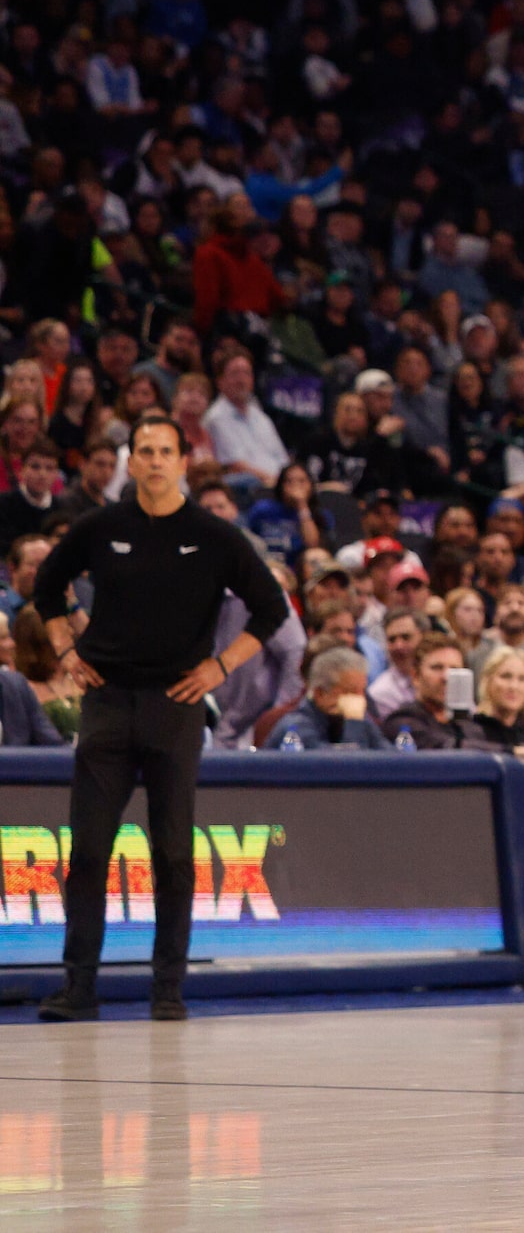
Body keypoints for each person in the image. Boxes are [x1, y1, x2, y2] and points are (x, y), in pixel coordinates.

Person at [30, 414, 292, 1022]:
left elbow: (271, 609)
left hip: (176, 705)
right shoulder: (101, 526)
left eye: (164, 451)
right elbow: (47, 588)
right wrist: (67, 650)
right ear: (131, 459)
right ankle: (79, 988)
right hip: (108, 703)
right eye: (143, 450)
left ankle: (167, 989)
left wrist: (220, 669)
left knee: (174, 853)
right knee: (90, 851)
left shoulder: (216, 535)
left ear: (181, 460)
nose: (153, 461)